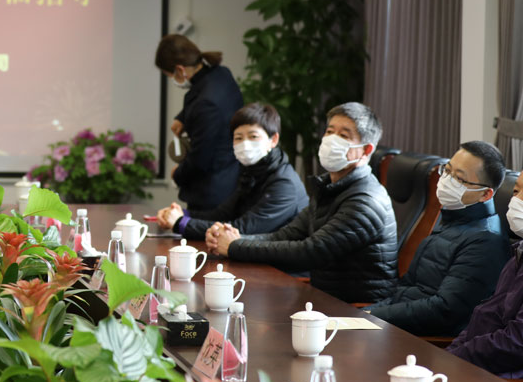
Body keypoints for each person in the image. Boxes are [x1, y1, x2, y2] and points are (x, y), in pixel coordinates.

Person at [209, 102, 398, 303]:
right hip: (324, 299)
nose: (331, 139)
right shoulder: (329, 187)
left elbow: (311, 252)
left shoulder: (366, 201)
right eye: (330, 132)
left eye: (343, 135)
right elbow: (286, 235)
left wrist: (235, 246)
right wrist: (235, 239)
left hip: (359, 309)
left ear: (366, 150)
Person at [368, 142, 510, 336]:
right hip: (400, 323)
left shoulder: (486, 241)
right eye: (447, 170)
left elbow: (444, 310)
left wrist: (373, 316)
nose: (447, 180)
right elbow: (405, 287)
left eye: (459, 178)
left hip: (426, 339)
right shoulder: (453, 218)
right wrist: (367, 314)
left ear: (485, 194)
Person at [157, 102, 308, 240]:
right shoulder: (252, 172)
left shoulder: (284, 183)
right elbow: (222, 214)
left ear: (273, 140)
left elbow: (243, 229)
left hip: (280, 261)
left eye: (253, 136)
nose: (245, 144)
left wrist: (180, 223)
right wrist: (182, 214)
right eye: (238, 138)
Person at [155, 34, 243, 212]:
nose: (172, 80)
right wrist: (183, 117)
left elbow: (200, 159)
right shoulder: (221, 74)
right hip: (232, 180)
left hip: (212, 192)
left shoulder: (205, 104)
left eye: (169, 75)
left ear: (180, 70)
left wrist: (177, 174)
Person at [448, 172, 523, 377]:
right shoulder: (518, 252)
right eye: (516, 191)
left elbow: (516, 343)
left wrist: (456, 359)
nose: (517, 200)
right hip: (476, 365)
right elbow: (486, 315)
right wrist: (451, 354)